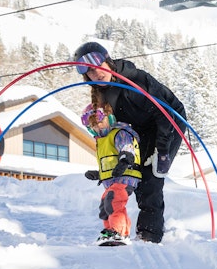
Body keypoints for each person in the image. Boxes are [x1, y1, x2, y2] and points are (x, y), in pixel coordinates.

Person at [73, 41, 186, 244]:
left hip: (168, 122)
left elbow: (164, 114)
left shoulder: (135, 81)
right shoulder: (102, 92)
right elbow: (109, 133)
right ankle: (121, 228)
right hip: (138, 130)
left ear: (108, 61)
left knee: (151, 175)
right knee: (133, 170)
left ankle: (149, 234)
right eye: (89, 72)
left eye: (99, 67)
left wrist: (162, 151)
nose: (96, 74)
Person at [81, 103, 142, 245]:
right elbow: (109, 163)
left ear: (110, 118)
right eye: (93, 126)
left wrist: (125, 160)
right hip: (114, 179)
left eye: (100, 121)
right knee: (105, 205)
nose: (98, 127)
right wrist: (99, 174)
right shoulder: (101, 142)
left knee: (113, 200)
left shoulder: (120, 133)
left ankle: (117, 232)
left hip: (126, 175)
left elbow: (127, 148)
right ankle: (111, 230)